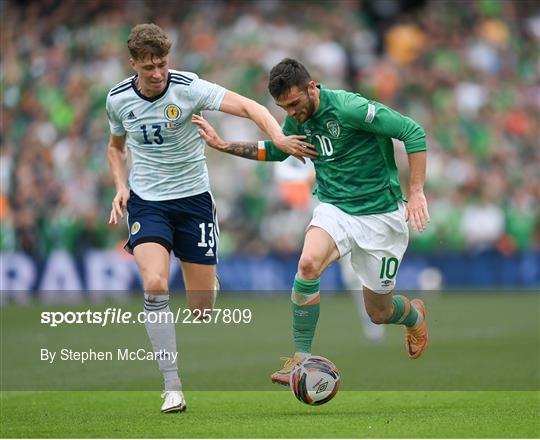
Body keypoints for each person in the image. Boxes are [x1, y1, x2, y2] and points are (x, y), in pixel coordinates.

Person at [106, 27, 315, 413]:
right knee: (154, 283)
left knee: (201, 309)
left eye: (163, 64)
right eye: (149, 67)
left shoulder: (189, 88)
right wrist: (121, 186)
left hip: (194, 201)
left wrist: (280, 139)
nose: (157, 73)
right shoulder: (117, 100)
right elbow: (116, 147)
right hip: (147, 202)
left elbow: (253, 107)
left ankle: (207, 280)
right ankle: (172, 386)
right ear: (132, 63)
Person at [192, 58, 430, 386]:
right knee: (307, 265)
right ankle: (301, 358)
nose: (291, 113)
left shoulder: (350, 108)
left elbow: (412, 132)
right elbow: (279, 150)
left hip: (381, 216)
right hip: (335, 209)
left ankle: (414, 317)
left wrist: (416, 191)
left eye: (294, 103)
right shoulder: (297, 118)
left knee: (379, 313)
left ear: (312, 88)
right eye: (283, 108)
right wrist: (223, 145)